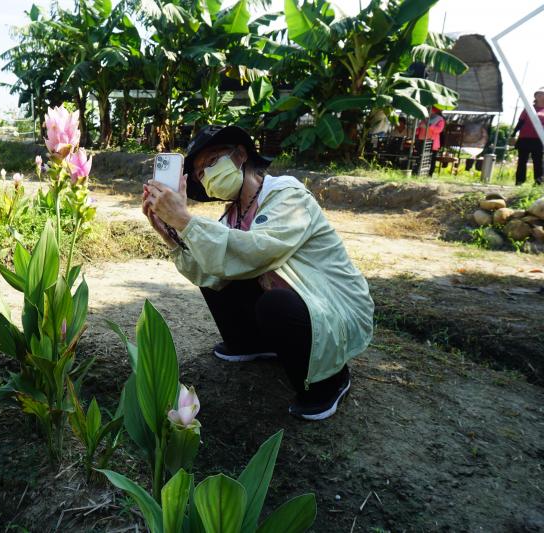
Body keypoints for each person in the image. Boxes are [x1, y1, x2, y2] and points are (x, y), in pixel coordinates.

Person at [142, 125, 374, 421]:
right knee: (213, 260)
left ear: (240, 155)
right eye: (200, 173)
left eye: (212, 162)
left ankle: (329, 382)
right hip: (295, 297)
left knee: (275, 303)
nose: (207, 175)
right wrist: (170, 235)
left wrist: (186, 222)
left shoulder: (286, 193)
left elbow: (258, 251)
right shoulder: (231, 215)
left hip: (333, 304)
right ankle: (252, 343)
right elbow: (214, 269)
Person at [511, 87, 544, 185]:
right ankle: (519, 182)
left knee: (538, 161)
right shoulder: (528, 108)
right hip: (524, 138)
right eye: (539, 94)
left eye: (543, 94)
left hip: (539, 140)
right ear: (535, 97)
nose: (541, 96)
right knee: (522, 161)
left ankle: (538, 182)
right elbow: (520, 122)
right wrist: (513, 134)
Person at [415, 107, 446, 176]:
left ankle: (429, 174)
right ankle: (418, 173)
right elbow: (419, 128)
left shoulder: (440, 119)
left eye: (429, 109)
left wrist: (429, 126)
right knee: (420, 157)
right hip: (422, 140)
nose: (428, 110)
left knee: (431, 159)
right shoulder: (424, 118)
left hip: (432, 142)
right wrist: (417, 131)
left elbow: (438, 130)